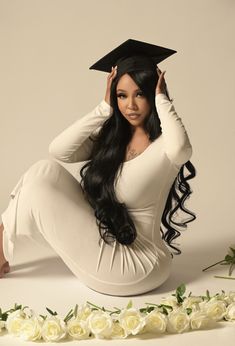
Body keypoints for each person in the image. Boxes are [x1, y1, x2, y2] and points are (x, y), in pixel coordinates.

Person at [0, 39, 196, 296]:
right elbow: (59, 150)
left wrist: (162, 99)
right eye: (122, 96)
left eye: (140, 94)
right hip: (107, 239)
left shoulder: (165, 146)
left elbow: (182, 147)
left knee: (37, 193)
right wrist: (103, 108)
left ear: (153, 95)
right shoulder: (114, 139)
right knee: (43, 170)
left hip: (138, 264)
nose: (131, 106)